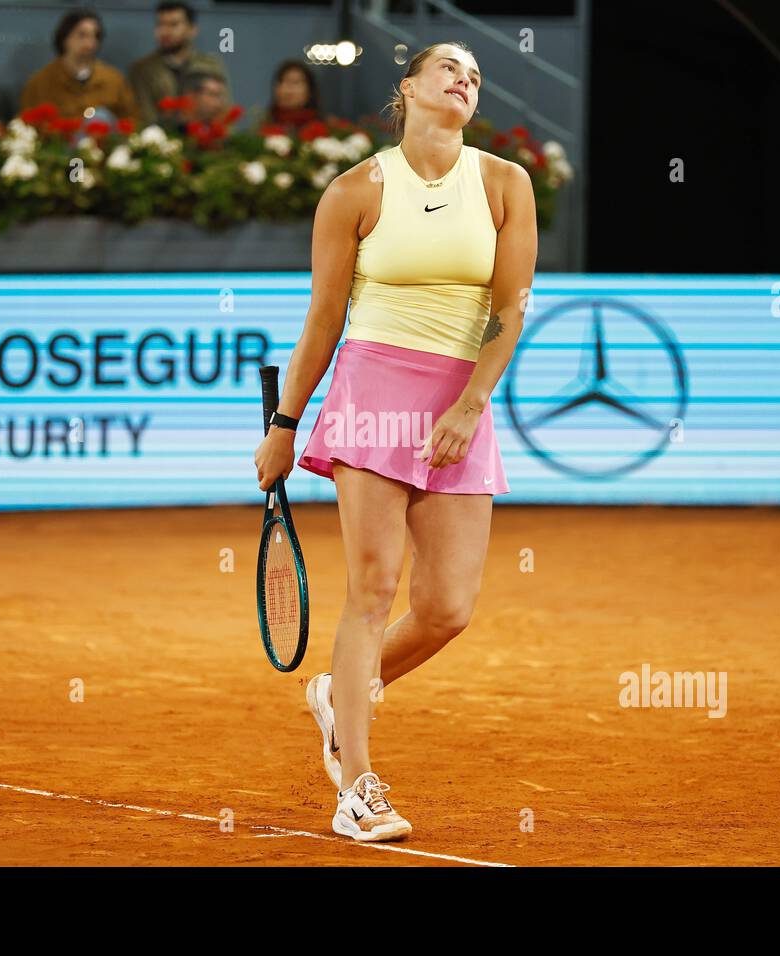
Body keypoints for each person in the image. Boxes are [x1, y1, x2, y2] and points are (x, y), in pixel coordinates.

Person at [253, 41, 537, 842]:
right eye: (449, 68)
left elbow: (509, 310)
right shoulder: (355, 191)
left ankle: (339, 692)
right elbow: (323, 320)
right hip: (373, 390)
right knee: (373, 592)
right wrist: (287, 426)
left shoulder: (506, 184)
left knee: (447, 608)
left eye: (475, 76)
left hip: (459, 400)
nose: (464, 81)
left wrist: (471, 404)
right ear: (408, 86)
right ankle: (357, 789)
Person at [19, 9, 139, 124]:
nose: (90, 44)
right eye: (82, 35)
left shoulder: (114, 80)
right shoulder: (40, 83)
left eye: (95, 36)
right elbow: (27, 127)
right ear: (64, 38)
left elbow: (132, 122)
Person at [128, 1, 230, 128]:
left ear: (192, 29)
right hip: (163, 139)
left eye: (173, 25)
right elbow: (144, 117)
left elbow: (225, 112)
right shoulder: (142, 69)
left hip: (206, 138)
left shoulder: (211, 65)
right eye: (160, 25)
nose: (165, 32)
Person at [256, 60, 321, 133]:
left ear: (310, 90)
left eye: (295, 82)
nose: (286, 89)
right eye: (281, 82)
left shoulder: (326, 129)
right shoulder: (263, 129)